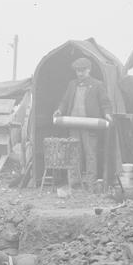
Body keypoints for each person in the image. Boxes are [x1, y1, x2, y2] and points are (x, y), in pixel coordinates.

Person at [53, 57, 113, 192]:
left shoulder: (97, 85)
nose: (80, 73)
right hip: (73, 125)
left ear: (89, 70)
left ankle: (90, 185)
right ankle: (74, 184)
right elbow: (65, 101)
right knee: (74, 154)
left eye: (82, 70)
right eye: (77, 71)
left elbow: (105, 103)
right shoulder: (72, 84)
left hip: (90, 125)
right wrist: (60, 110)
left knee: (90, 154)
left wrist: (107, 114)